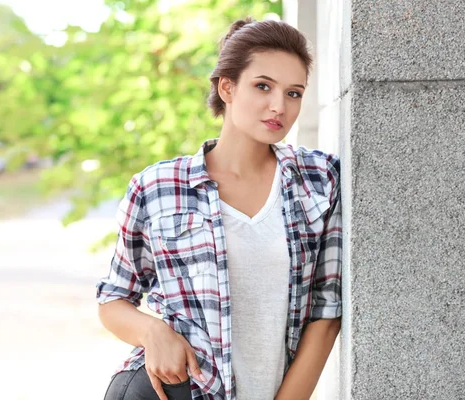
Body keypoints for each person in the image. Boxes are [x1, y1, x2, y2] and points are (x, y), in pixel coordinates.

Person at [97, 16, 342, 400]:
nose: (279, 105)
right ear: (227, 87)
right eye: (263, 86)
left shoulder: (319, 179)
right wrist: (153, 331)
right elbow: (113, 299)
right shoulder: (157, 187)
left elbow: (326, 315)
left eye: (294, 93)